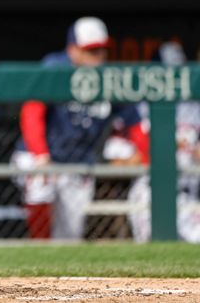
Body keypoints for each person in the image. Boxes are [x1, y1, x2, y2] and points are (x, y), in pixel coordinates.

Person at [11, 17, 148, 240]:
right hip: (39, 156)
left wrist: (146, 156)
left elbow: (135, 124)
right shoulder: (56, 68)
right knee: (39, 186)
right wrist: (41, 155)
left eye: (102, 50)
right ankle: (39, 249)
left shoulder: (109, 78)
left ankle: (52, 268)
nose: (98, 56)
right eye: (91, 50)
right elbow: (32, 112)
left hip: (78, 164)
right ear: (73, 49)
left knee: (68, 238)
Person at [123, 41, 200, 243]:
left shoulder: (195, 105)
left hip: (191, 193)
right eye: (166, 72)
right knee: (153, 246)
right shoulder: (140, 107)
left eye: (177, 72)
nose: (171, 79)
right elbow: (123, 155)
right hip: (150, 189)